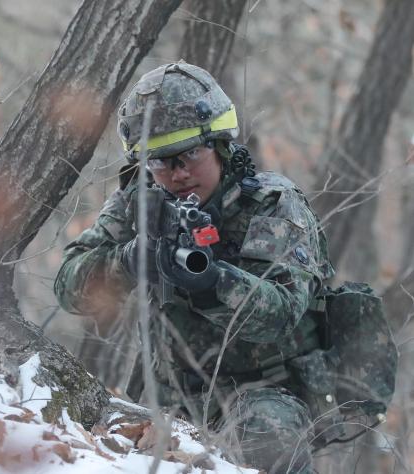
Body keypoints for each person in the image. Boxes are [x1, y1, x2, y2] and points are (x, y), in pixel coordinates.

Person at [54, 62, 336, 473]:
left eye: (190, 154)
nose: (178, 173)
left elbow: (283, 316)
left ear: (219, 145)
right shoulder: (141, 199)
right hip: (164, 392)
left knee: (268, 438)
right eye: (160, 161)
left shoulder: (271, 205)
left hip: (260, 390)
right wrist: (130, 260)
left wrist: (213, 282)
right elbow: (69, 287)